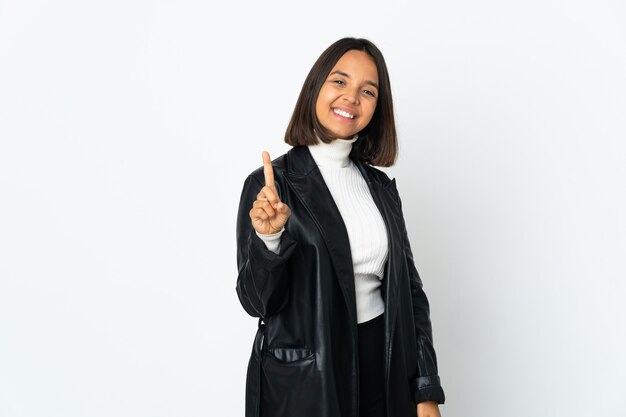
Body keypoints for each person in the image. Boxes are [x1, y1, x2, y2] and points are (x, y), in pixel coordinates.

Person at [235, 37, 445, 417]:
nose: (351, 97)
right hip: (308, 383)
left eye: (368, 91)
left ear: (376, 108)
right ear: (315, 88)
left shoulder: (380, 189)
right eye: (339, 82)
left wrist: (425, 389)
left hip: (384, 372)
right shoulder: (271, 186)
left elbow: (411, 295)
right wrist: (269, 239)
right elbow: (256, 303)